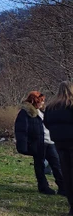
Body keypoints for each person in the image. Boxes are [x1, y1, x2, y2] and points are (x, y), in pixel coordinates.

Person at [15, 91, 64, 195]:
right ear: (34, 101)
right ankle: (43, 187)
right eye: (40, 101)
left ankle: (63, 188)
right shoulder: (25, 113)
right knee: (40, 166)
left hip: (49, 142)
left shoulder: (42, 112)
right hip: (37, 143)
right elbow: (21, 130)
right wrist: (23, 146)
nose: (42, 103)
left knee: (56, 164)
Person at [45, 82, 73, 214]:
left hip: (59, 143)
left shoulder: (51, 106)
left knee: (67, 174)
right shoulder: (71, 105)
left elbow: (47, 123)